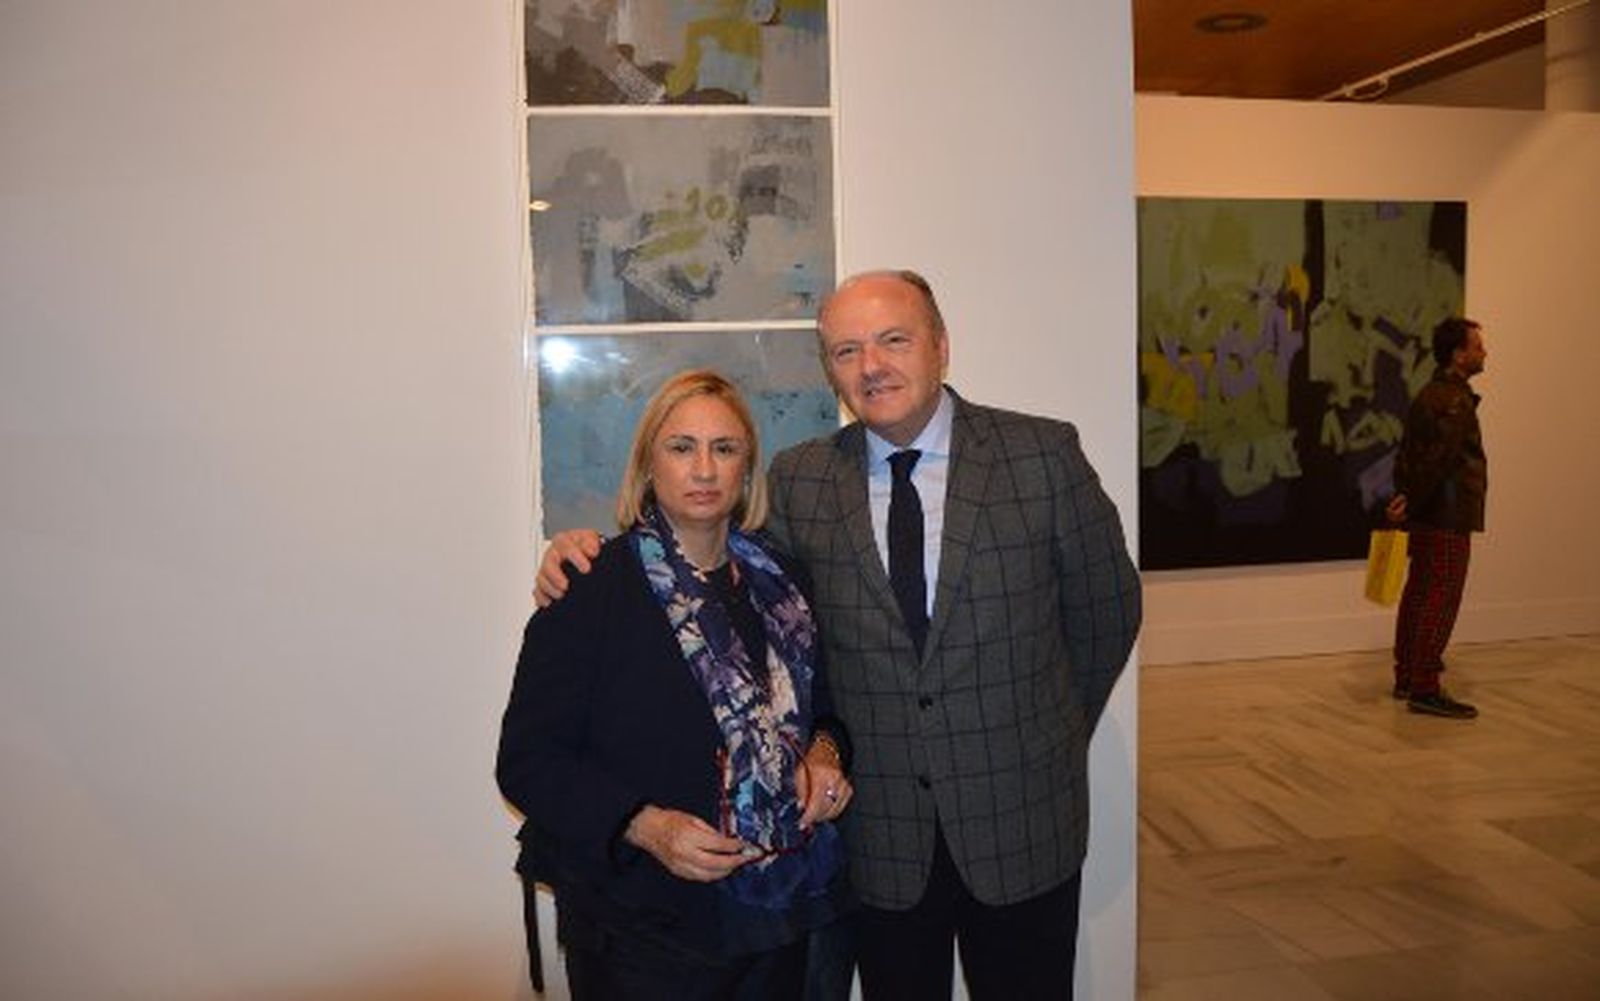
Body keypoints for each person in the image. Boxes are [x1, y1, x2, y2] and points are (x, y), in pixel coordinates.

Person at [538, 270, 1143, 999]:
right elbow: (712, 566)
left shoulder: (1042, 457)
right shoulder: (803, 479)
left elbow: (1107, 609)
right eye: (847, 350)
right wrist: (576, 553)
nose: (872, 366)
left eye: (893, 340)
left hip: (1022, 820)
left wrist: (1048, 731)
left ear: (941, 346)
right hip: (879, 838)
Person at [497, 369, 854, 1000]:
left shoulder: (785, 586)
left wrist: (825, 757)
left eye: (724, 448)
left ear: (747, 469)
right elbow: (528, 761)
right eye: (682, 447)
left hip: (778, 923)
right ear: (647, 465)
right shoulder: (590, 586)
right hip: (640, 930)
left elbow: (826, 713)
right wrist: (644, 825)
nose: (704, 469)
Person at [1385, 316, 1489, 720]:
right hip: (1446, 514)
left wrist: (1404, 497)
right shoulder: (1454, 401)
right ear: (1458, 354)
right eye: (1477, 346)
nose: (1484, 352)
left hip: (1427, 513)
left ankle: (1407, 675)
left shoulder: (1428, 394)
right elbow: (1438, 460)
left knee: (1420, 592)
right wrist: (1409, 498)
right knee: (1442, 596)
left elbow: (1408, 454)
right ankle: (1425, 686)